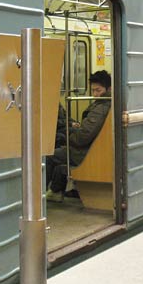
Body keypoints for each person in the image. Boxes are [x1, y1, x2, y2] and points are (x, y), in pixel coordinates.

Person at [45, 70, 112, 202]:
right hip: (91, 148)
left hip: (86, 152)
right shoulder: (104, 103)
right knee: (60, 153)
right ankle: (56, 191)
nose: (95, 94)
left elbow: (82, 137)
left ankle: (37, 199)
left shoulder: (101, 107)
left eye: (98, 90)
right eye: (93, 91)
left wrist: (68, 134)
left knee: (49, 155)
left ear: (108, 88)